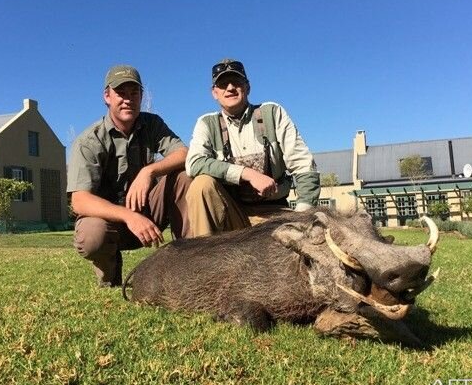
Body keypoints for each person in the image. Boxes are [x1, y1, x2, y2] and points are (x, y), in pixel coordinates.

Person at [68, 65, 192, 287]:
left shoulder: (152, 124)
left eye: (134, 93)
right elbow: (79, 200)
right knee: (92, 235)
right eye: (121, 93)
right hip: (111, 223)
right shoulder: (89, 141)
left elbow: (184, 153)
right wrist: (129, 216)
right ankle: (109, 278)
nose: (128, 99)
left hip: (149, 213)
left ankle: (188, 264)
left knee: (184, 175)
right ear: (107, 96)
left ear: (141, 96)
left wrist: (149, 171)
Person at [185, 58, 320, 237]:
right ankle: (203, 257)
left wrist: (302, 216)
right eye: (223, 84)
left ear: (247, 87)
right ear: (214, 92)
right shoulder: (206, 123)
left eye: (237, 82)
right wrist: (248, 174)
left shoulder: (272, 112)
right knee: (201, 184)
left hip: (276, 216)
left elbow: (304, 166)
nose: (230, 88)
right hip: (232, 216)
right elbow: (194, 163)